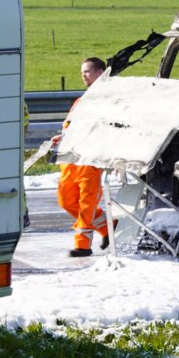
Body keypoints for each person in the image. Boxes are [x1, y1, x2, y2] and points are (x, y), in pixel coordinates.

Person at [56, 56, 109, 258]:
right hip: (71, 158)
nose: (83, 76)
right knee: (66, 200)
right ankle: (108, 226)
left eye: (87, 71)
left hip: (90, 158)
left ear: (100, 72)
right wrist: (61, 136)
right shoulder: (82, 100)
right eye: (82, 72)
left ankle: (83, 245)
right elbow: (72, 126)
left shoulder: (108, 100)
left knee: (87, 202)